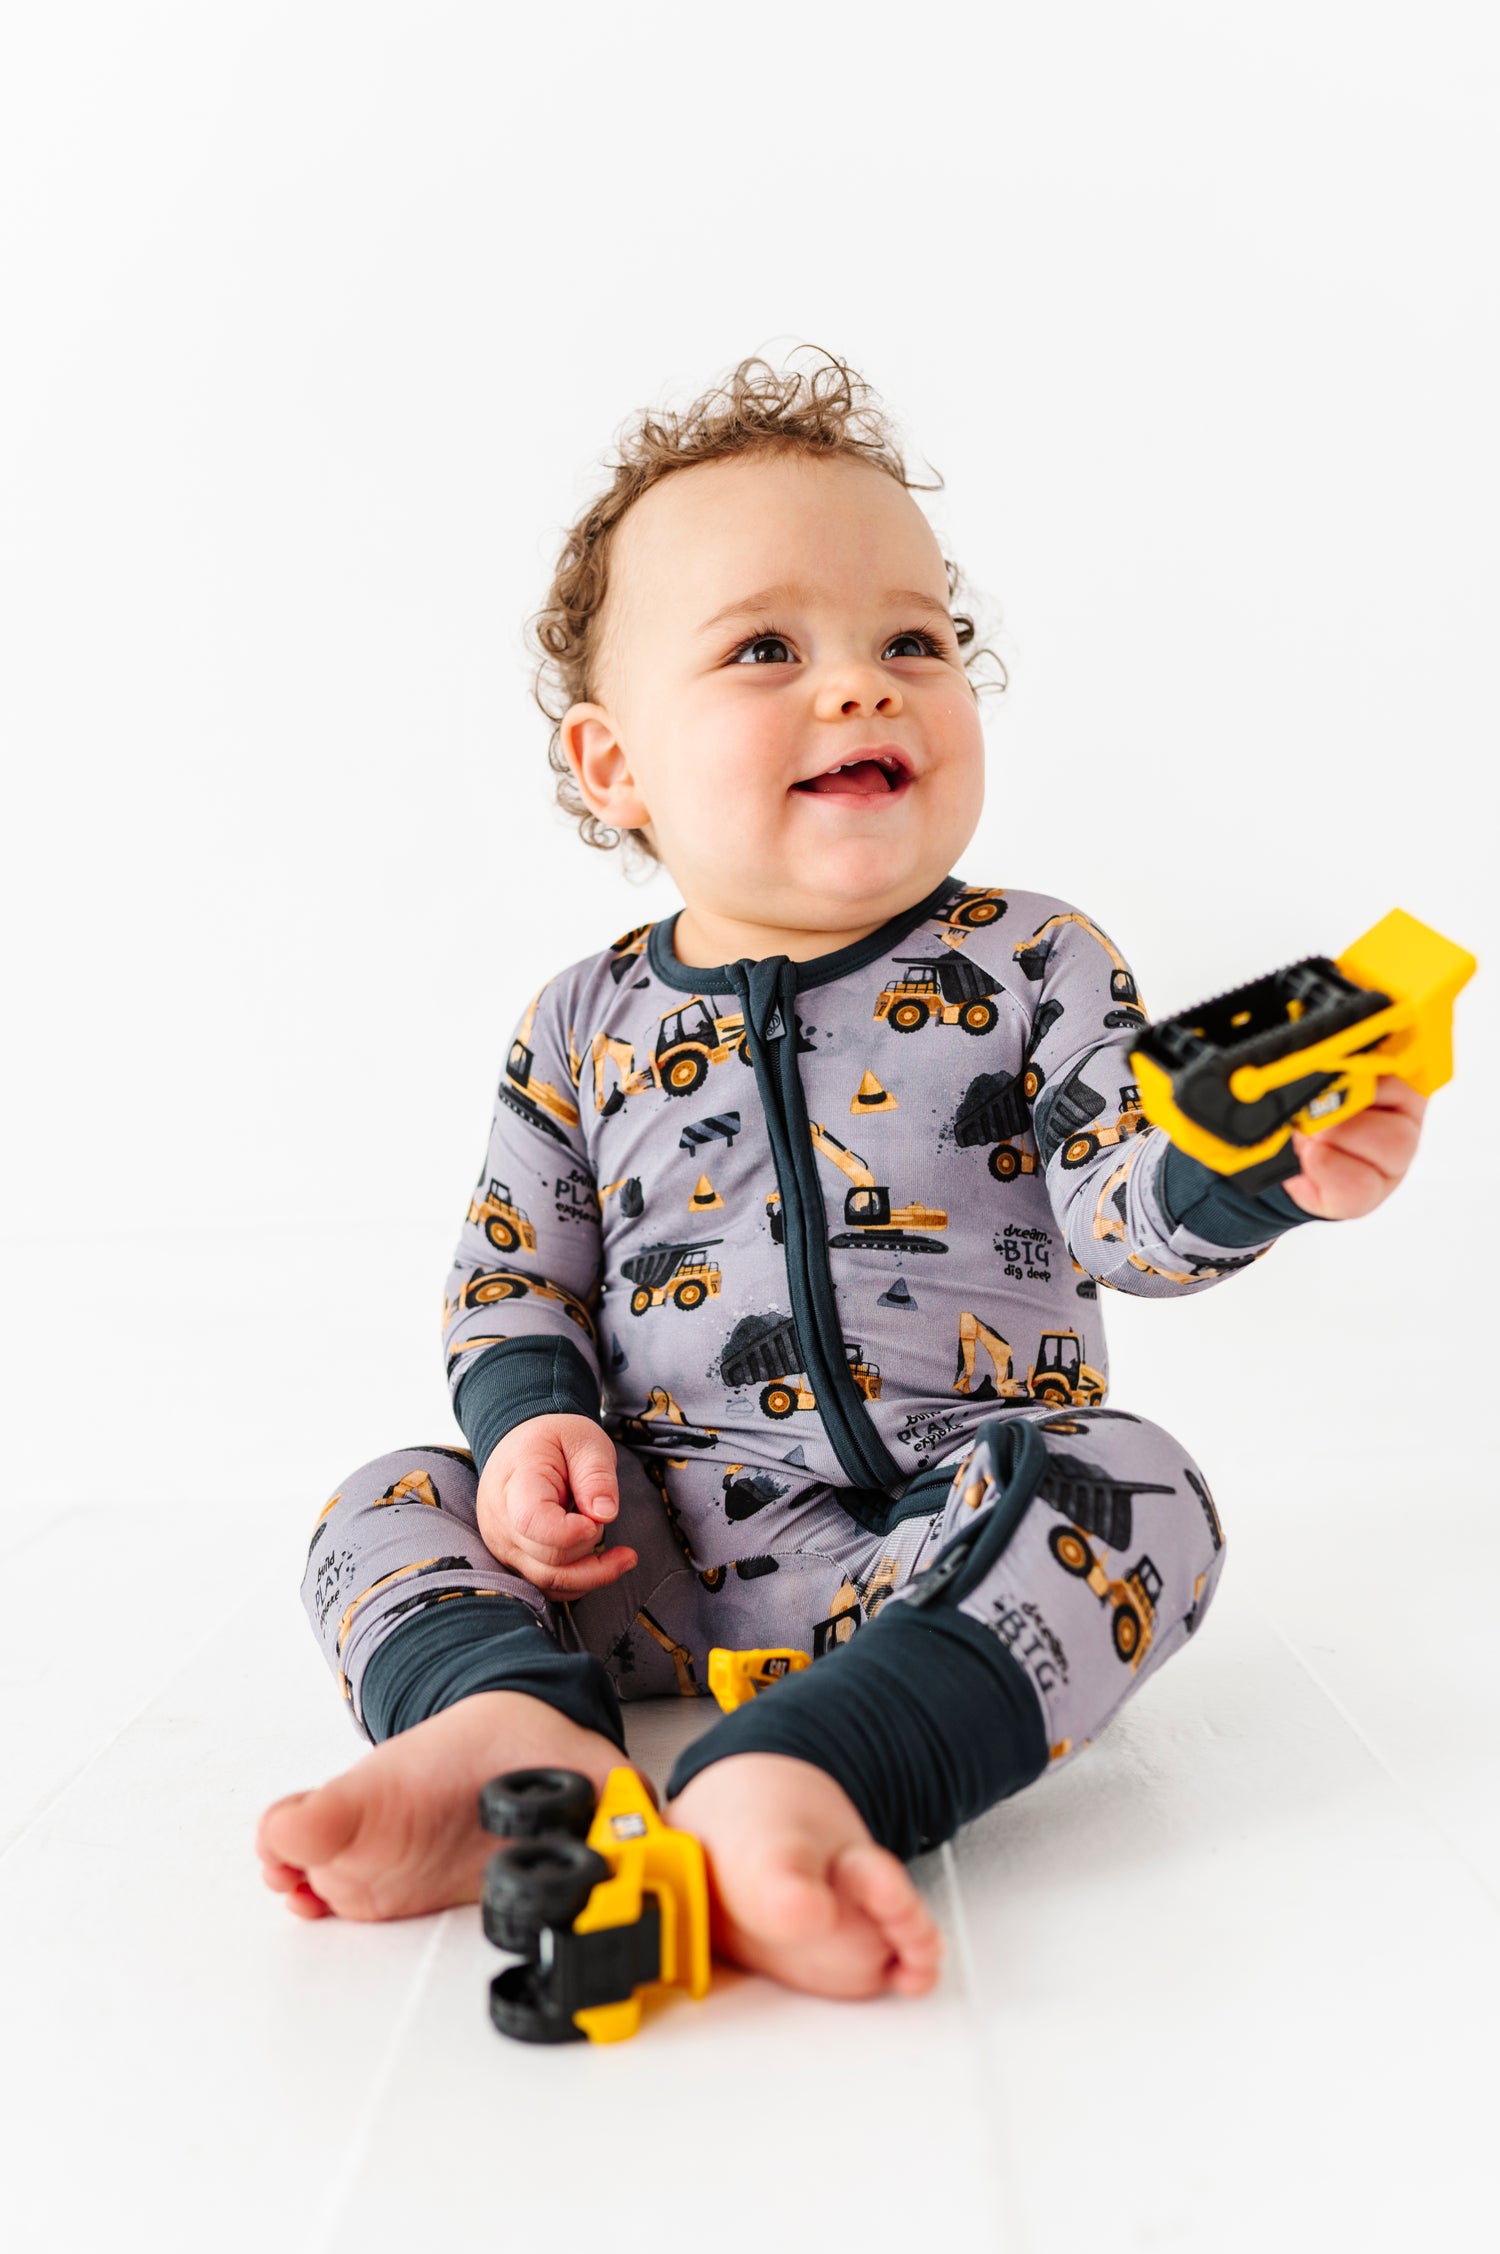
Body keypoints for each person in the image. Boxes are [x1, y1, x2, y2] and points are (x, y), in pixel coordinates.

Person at [256, 349, 1426, 2001]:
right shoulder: (580, 1023)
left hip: (945, 1540)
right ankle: (510, 1735)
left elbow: (1120, 1200)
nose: (864, 686)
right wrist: (527, 1437)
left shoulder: (1034, 961)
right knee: (382, 1498)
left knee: (1144, 1489)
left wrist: (1256, 1165)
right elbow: (513, 1278)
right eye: (766, 648)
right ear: (614, 765)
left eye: (914, 642)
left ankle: (808, 1770)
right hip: (642, 1562)